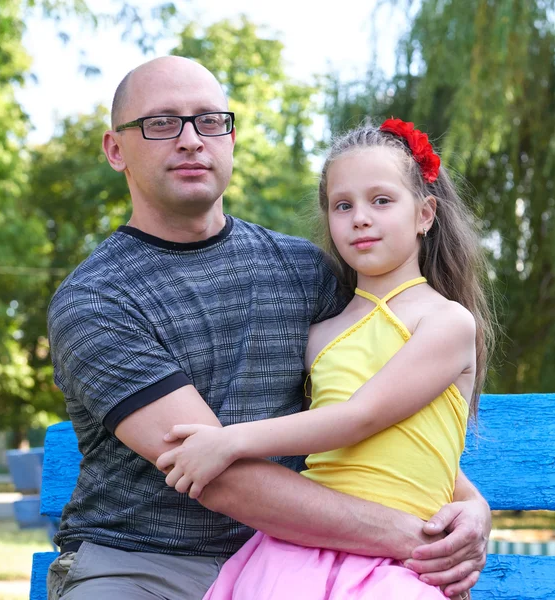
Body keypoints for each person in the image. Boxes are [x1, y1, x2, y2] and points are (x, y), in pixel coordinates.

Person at [46, 55, 490, 600]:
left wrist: (470, 507)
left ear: (231, 139)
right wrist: (415, 539)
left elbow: (381, 410)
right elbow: (218, 474)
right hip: (144, 565)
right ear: (116, 149)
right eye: (161, 123)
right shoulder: (97, 299)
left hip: (304, 559)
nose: (190, 140)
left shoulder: (307, 273)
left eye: (209, 120)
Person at [156, 118, 495, 599]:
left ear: (425, 213)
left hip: (394, 562)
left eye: (381, 200)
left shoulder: (446, 322)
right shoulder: (321, 331)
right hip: (306, 545)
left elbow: (364, 418)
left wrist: (228, 442)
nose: (360, 217)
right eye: (343, 205)